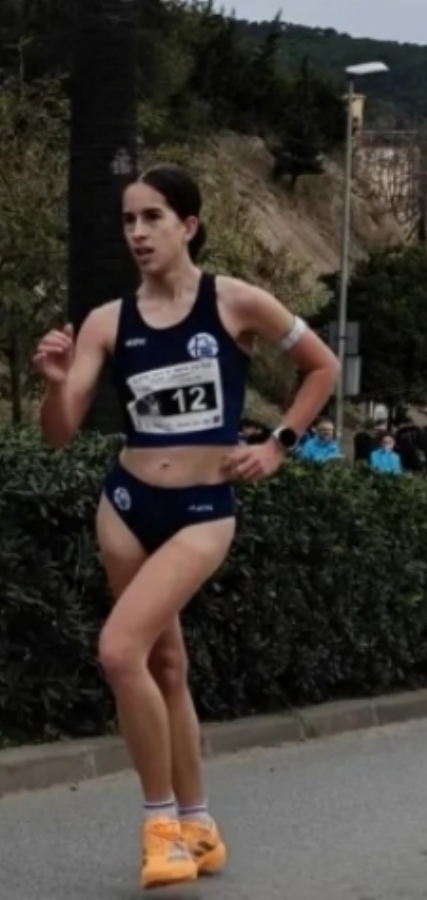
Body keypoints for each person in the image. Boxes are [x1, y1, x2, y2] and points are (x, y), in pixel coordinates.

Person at [32, 164, 340, 890]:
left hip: (204, 513)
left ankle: (160, 823)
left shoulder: (236, 302)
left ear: (189, 226)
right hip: (128, 508)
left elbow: (321, 368)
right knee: (164, 666)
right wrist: (54, 384)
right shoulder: (110, 321)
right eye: (129, 220)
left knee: (116, 652)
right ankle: (199, 825)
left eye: (153, 218)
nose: (138, 233)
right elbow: (58, 433)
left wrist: (278, 446)